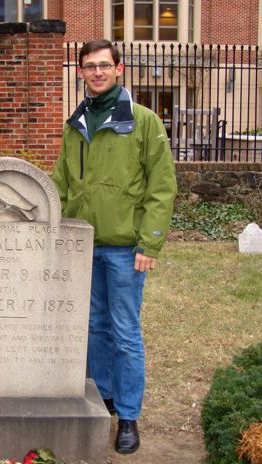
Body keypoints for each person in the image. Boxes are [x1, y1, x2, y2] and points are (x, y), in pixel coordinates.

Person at [52, 40, 177, 454]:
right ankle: (100, 400)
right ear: (81, 72)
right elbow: (62, 183)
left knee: (125, 332)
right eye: (90, 66)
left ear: (119, 69)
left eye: (105, 65)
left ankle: (127, 415)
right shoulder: (76, 125)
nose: (97, 72)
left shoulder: (143, 121)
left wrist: (150, 243)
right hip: (83, 246)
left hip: (126, 250)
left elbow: (162, 186)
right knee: (93, 327)